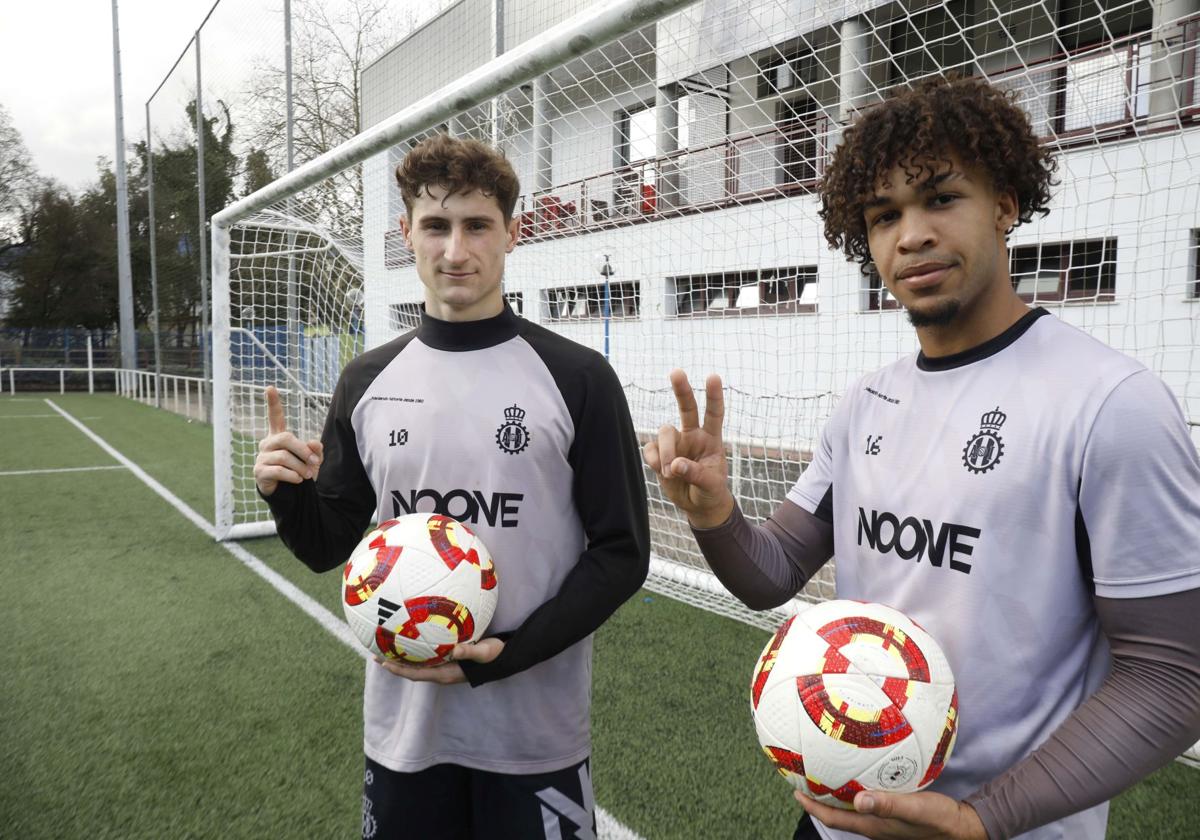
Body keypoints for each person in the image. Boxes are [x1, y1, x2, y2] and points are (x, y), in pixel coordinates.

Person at [644, 77, 1200, 840]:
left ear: (1005, 203)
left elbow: (1173, 676)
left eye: (941, 198)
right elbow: (769, 574)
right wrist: (714, 513)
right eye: (883, 215)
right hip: (844, 815)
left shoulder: (1112, 404)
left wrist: (979, 818)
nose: (911, 235)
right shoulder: (866, 401)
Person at [254, 134, 649, 839]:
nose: (455, 250)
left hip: (534, 731)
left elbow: (622, 553)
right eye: (435, 226)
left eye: (477, 225)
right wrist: (287, 493)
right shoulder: (367, 381)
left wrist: (507, 656)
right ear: (406, 235)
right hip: (406, 733)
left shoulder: (578, 377)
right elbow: (329, 545)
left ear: (512, 234)